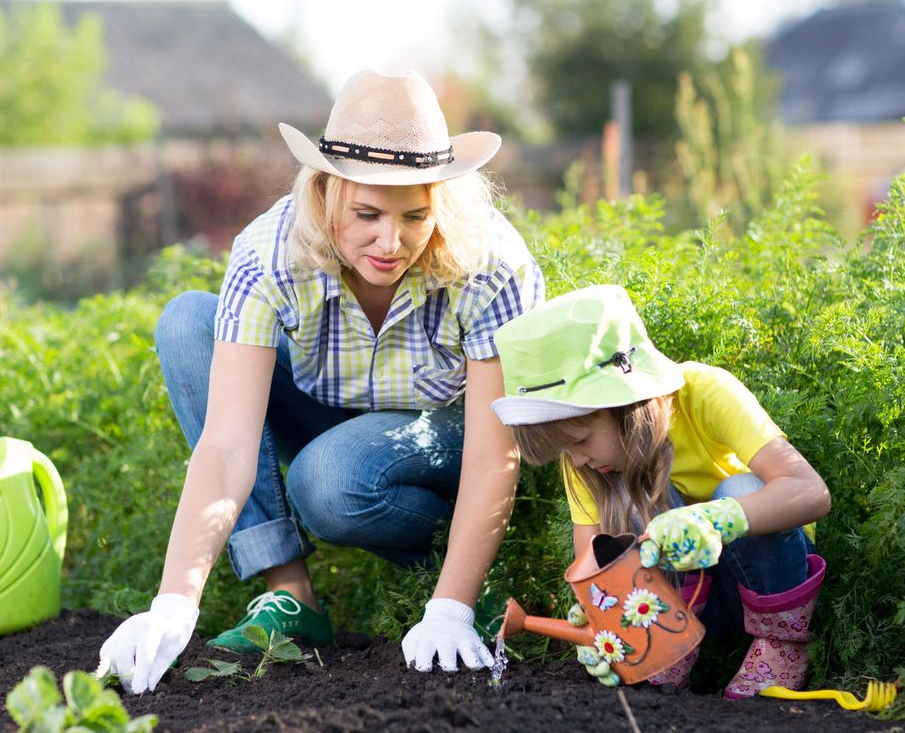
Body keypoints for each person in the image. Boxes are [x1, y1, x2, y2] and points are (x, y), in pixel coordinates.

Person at [96, 69, 545, 694]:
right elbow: (226, 448)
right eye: (366, 214)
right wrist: (174, 602)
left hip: (444, 436)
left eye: (415, 216)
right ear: (326, 190)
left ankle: (465, 575)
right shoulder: (270, 255)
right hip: (325, 410)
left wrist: (452, 607)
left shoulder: (488, 262)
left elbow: (497, 451)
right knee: (187, 322)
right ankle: (292, 599)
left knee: (329, 481)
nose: (391, 243)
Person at [489, 285, 830, 698]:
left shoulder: (703, 392)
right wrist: (605, 622)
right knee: (625, 493)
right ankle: (666, 652)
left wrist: (714, 518)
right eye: (566, 449)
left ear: (623, 403)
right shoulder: (589, 463)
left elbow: (810, 491)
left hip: (760, 584)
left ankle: (781, 647)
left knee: (740, 487)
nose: (576, 460)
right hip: (676, 609)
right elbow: (590, 564)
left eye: (580, 440)